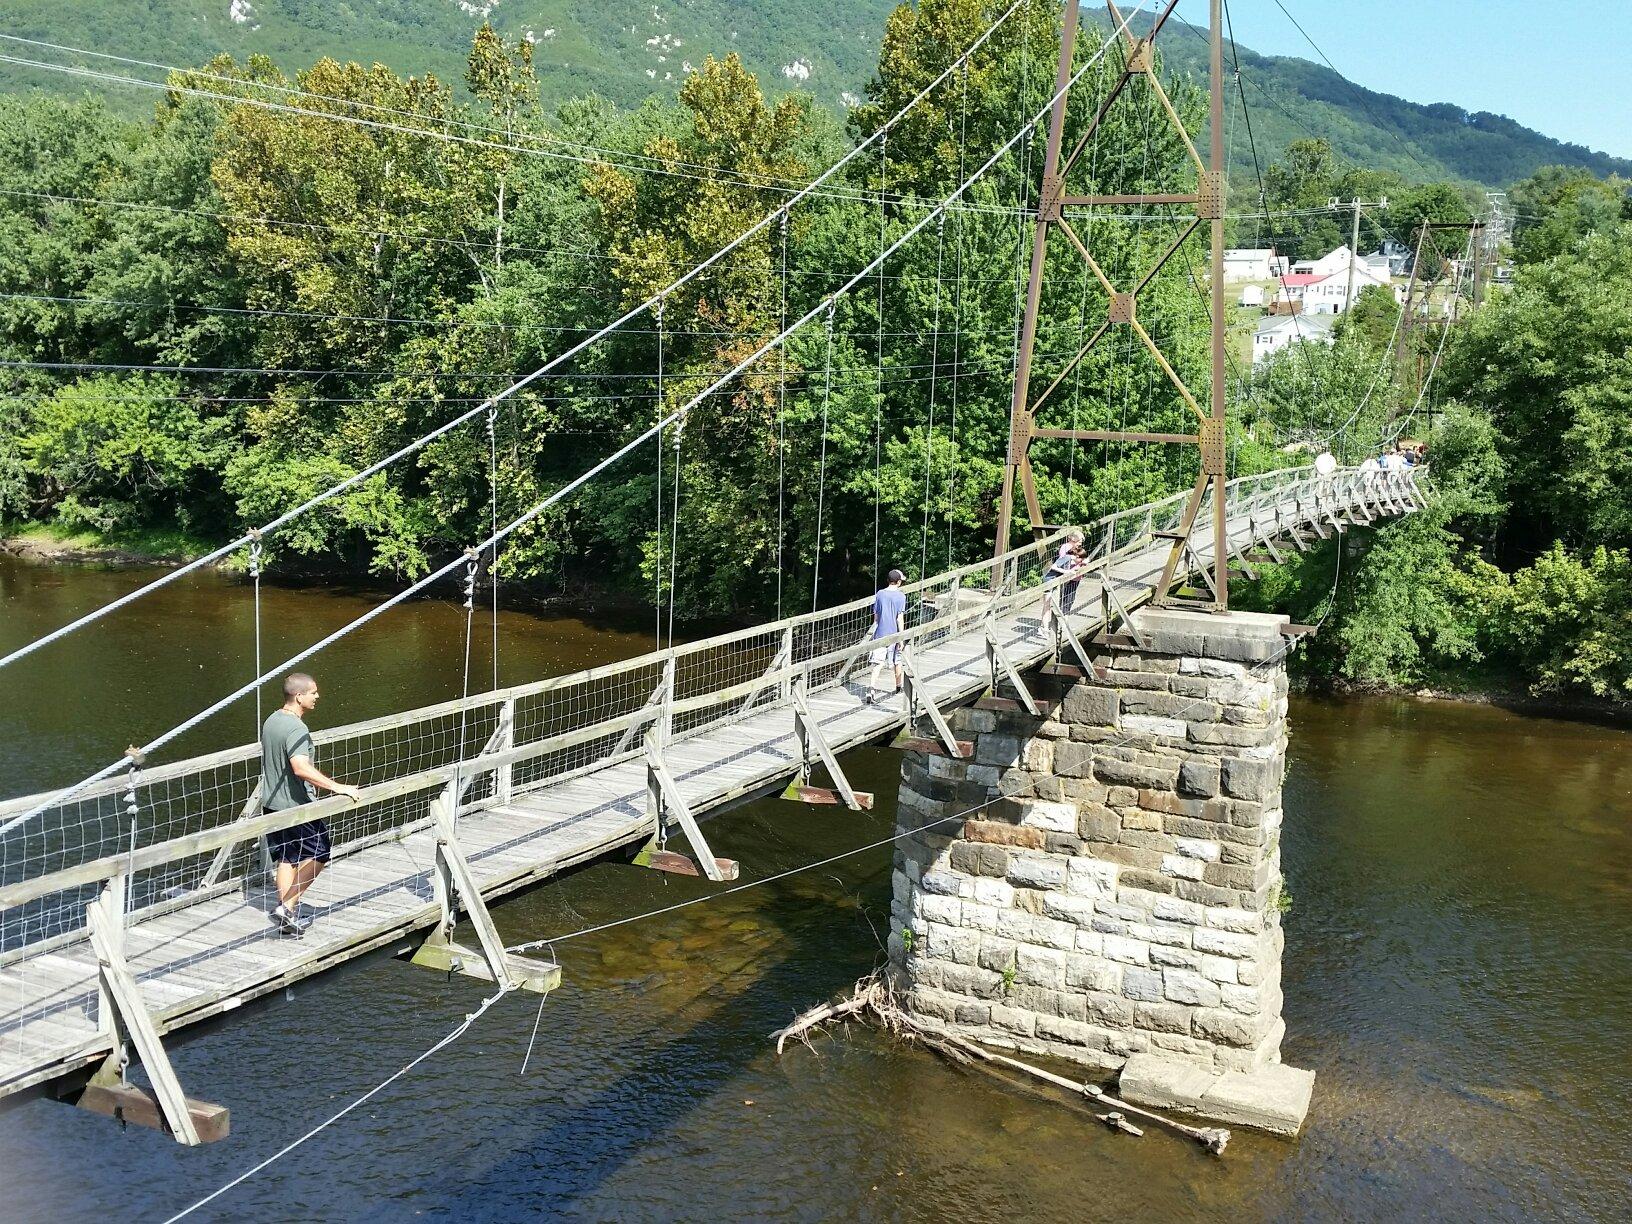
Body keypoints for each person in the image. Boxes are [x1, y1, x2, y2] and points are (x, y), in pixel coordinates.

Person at [260, 672, 359, 936]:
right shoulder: (296, 727)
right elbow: (300, 767)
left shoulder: (272, 720)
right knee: (321, 852)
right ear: (299, 695)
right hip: (296, 807)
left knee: (287, 857)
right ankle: (289, 906)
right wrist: (338, 787)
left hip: (271, 804)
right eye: (313, 692)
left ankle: (286, 912)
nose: (317, 696)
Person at [865, 569, 908, 703]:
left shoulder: (880, 594)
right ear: (899, 582)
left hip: (880, 634)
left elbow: (876, 617)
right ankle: (898, 686)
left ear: (888, 580)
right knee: (897, 660)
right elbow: (899, 618)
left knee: (877, 663)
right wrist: (901, 638)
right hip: (894, 634)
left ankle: (871, 689)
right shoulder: (901, 596)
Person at [1042, 529, 1086, 629]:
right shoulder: (1067, 552)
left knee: (1067, 599)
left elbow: (1084, 558)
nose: (1080, 544)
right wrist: (1068, 571)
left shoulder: (1074, 550)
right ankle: (1045, 628)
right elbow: (1055, 566)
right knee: (1048, 605)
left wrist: (1081, 564)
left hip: (1067, 577)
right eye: (1079, 541)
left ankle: (1056, 625)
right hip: (1053, 579)